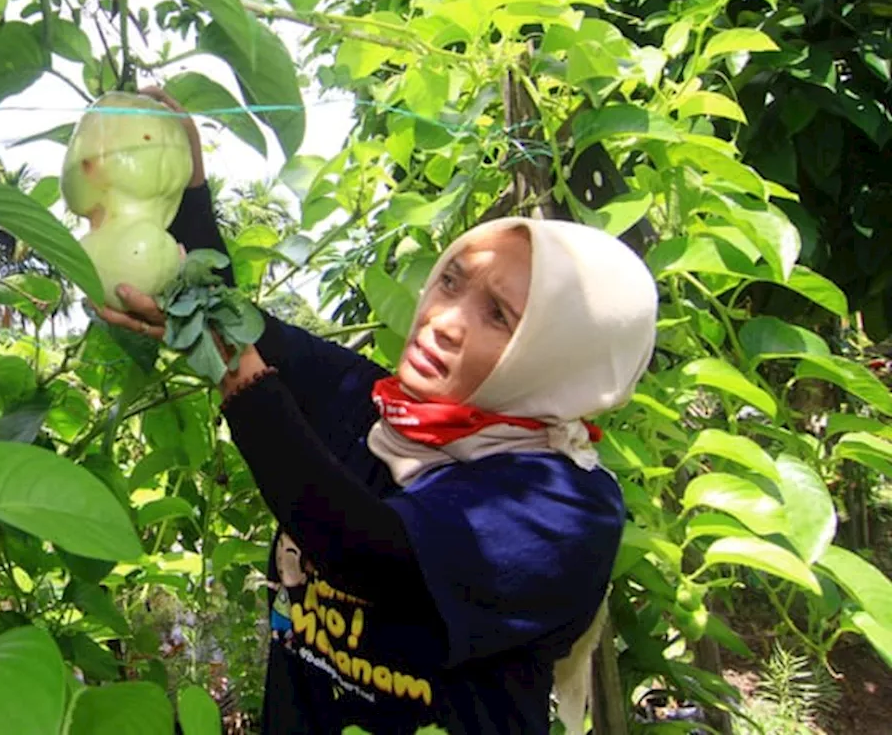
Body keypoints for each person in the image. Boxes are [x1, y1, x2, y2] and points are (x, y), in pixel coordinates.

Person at [97, 90, 659, 735]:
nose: (444, 321)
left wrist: (240, 378)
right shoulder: (376, 410)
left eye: (498, 315)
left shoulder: (563, 506)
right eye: (451, 281)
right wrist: (185, 182)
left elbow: (369, 555)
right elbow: (233, 315)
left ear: (559, 356)